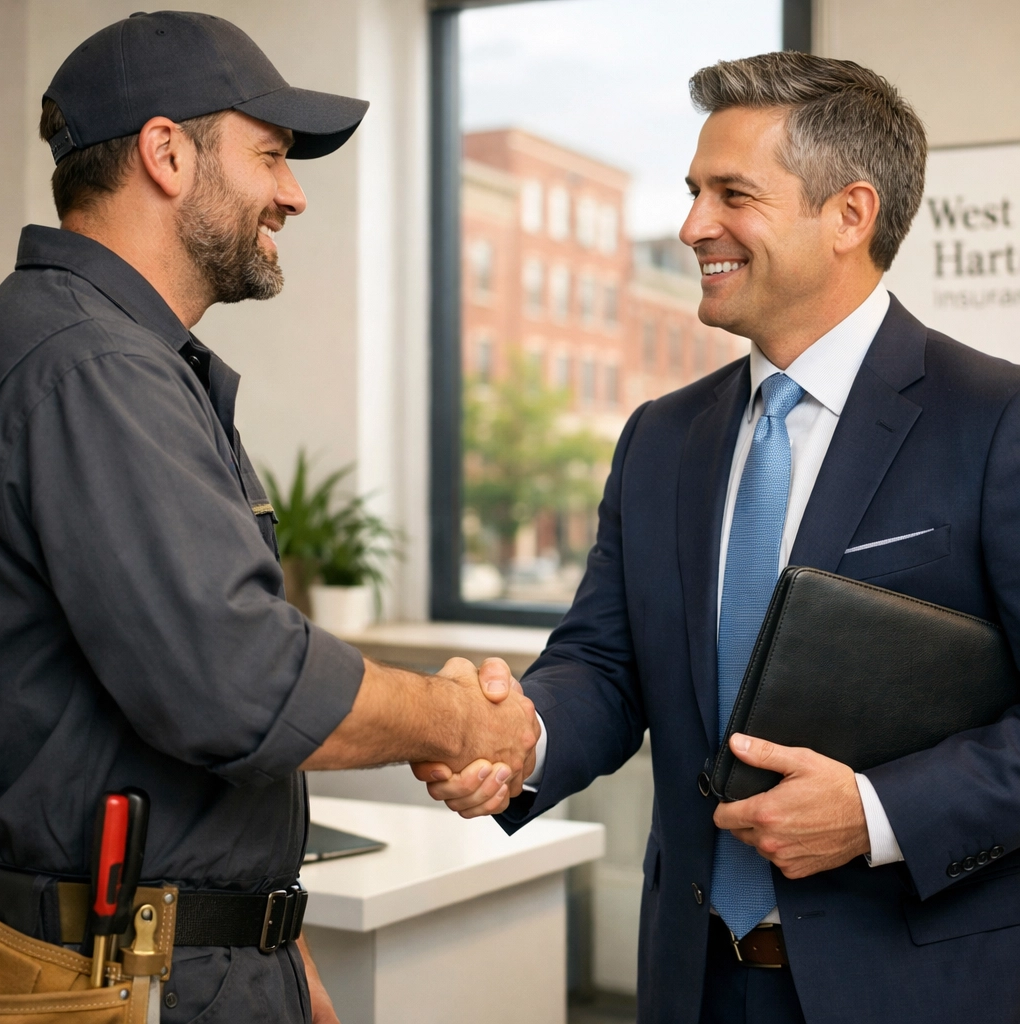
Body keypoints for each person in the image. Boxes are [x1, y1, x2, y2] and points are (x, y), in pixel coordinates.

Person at [418, 51, 1020, 1023]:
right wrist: (512, 737)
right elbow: (605, 668)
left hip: (910, 987)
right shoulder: (661, 437)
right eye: (692, 191)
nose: (693, 225)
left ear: (849, 216)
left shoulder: (994, 419)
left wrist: (875, 814)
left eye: (730, 194)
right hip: (691, 981)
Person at [0, 12, 536, 1024]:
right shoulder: (96, 369)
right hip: (119, 979)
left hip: (184, 957)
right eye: (271, 155)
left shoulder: (108, 355)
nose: (291, 192)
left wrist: (273, 948)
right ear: (166, 154)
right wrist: (462, 717)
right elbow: (238, 682)